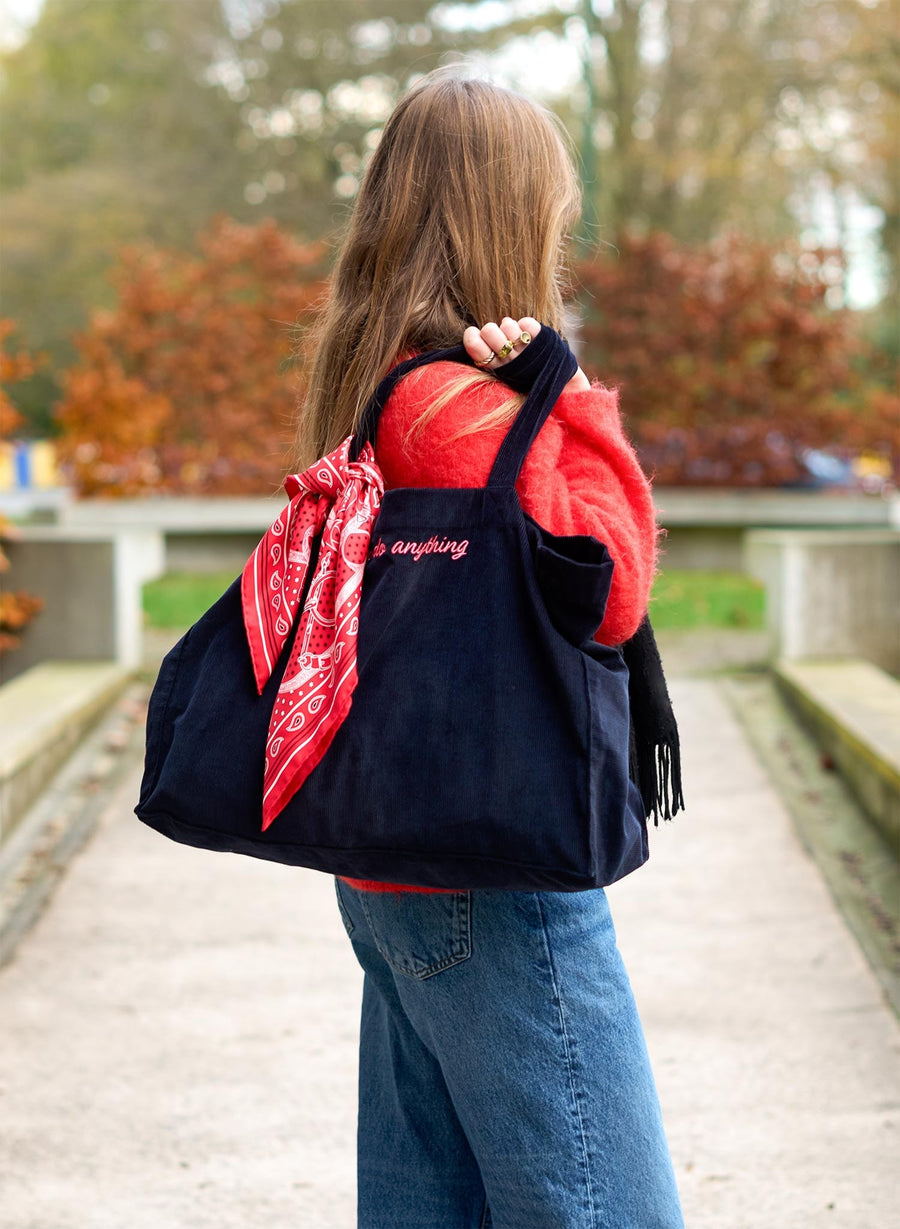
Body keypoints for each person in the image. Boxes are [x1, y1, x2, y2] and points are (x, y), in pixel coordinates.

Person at [294, 67, 685, 1229]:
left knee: (434, 1200)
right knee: (606, 1205)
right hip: (491, 869)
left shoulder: (383, 381)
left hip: (402, 866)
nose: (560, 238)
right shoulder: (464, 407)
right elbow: (609, 582)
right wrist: (567, 390)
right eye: (552, 216)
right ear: (506, 219)